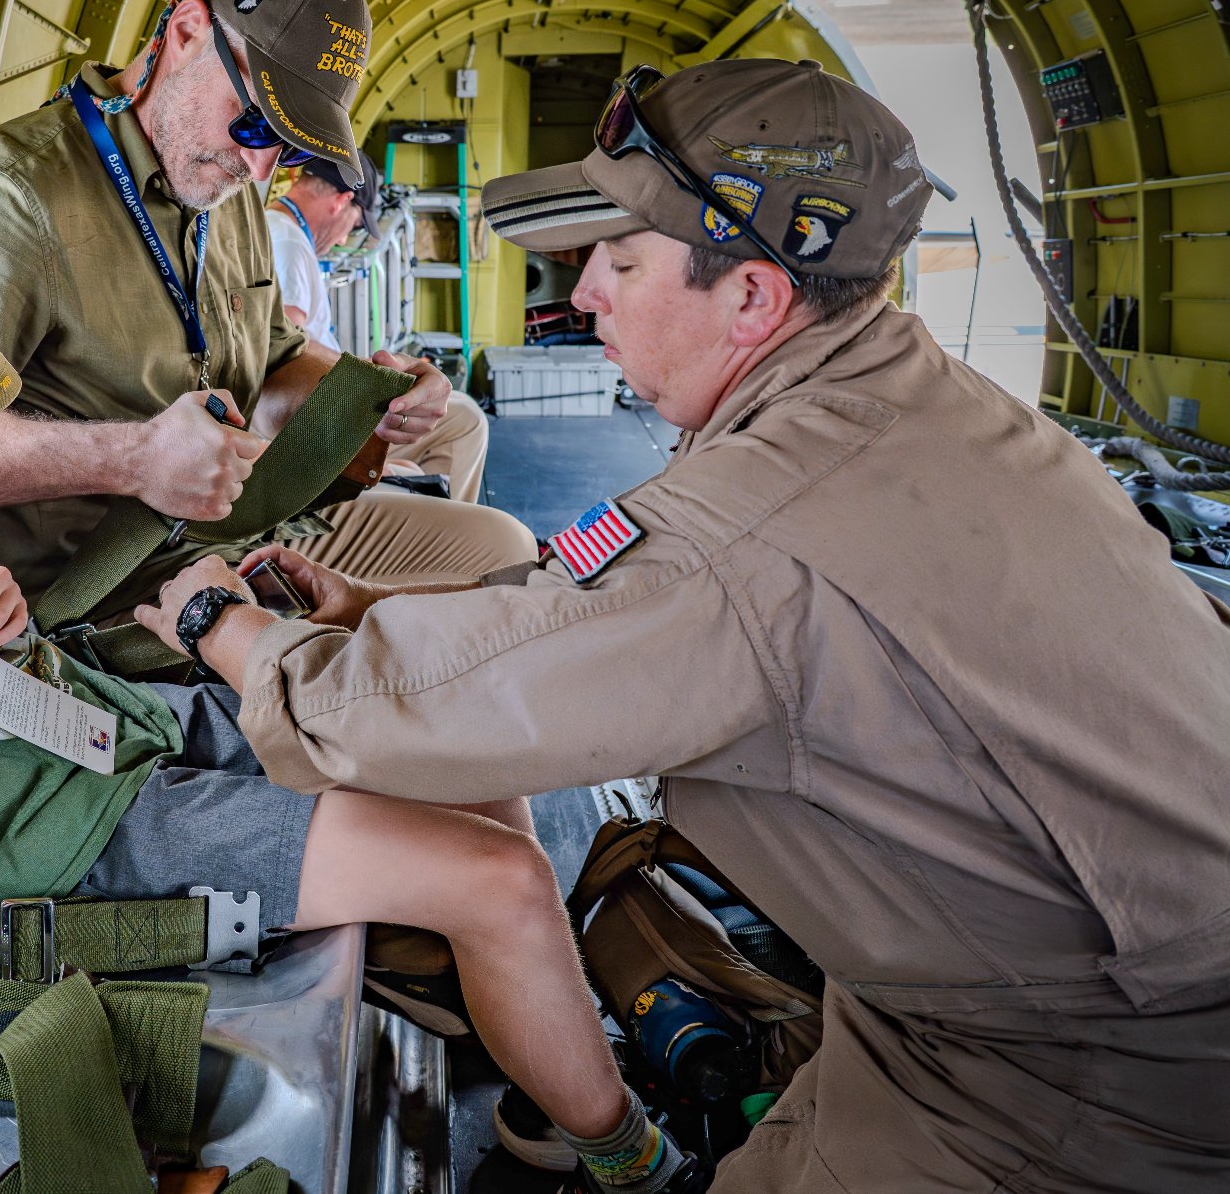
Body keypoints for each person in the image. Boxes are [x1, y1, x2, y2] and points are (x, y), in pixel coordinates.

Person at [134, 59, 1230, 1192]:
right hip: (986, 995)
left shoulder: (765, 522)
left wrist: (223, 622)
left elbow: (429, 708)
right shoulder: (892, 400)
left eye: (620, 260)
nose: (582, 294)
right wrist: (376, 606)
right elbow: (604, 601)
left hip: (1082, 1076)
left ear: (754, 297)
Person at [0, 128, 696, 1194]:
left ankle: (528, 1044)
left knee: (466, 752)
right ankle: (631, 1161)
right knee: (503, 879)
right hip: (58, 833)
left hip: (87, 724)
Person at [0, 0, 534, 624]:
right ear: (187, 30)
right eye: (256, 123)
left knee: (506, 557)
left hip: (243, 533)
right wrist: (132, 459)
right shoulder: (8, 200)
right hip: (111, 592)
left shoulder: (224, 194)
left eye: (290, 145)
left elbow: (276, 355)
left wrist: (374, 395)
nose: (261, 169)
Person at [267, 151, 492, 502]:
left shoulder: (277, 229)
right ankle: (450, 524)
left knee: (459, 416)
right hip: (320, 415)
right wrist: (373, 378)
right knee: (464, 421)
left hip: (323, 406)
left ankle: (436, 508)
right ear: (342, 202)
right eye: (355, 225)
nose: (343, 240)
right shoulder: (288, 242)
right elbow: (288, 344)